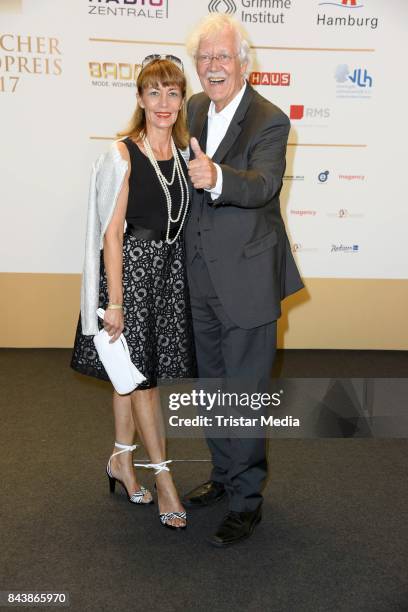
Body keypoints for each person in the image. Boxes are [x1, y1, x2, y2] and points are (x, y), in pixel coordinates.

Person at [182, 15, 304, 546]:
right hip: (200, 277)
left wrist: (218, 178)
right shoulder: (190, 109)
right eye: (204, 58)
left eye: (222, 57)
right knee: (211, 389)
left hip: (249, 282)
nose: (213, 67)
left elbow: (264, 185)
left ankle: (247, 501)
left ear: (242, 63)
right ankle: (222, 474)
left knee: (245, 394)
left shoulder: (269, 120)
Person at [71, 56, 196, 530]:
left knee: (131, 374)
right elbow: (111, 234)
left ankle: (122, 461)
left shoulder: (184, 155)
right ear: (140, 98)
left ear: (181, 100)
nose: (164, 103)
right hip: (130, 276)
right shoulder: (123, 154)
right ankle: (164, 479)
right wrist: (116, 301)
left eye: (172, 93)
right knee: (144, 382)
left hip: (165, 276)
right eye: (154, 93)